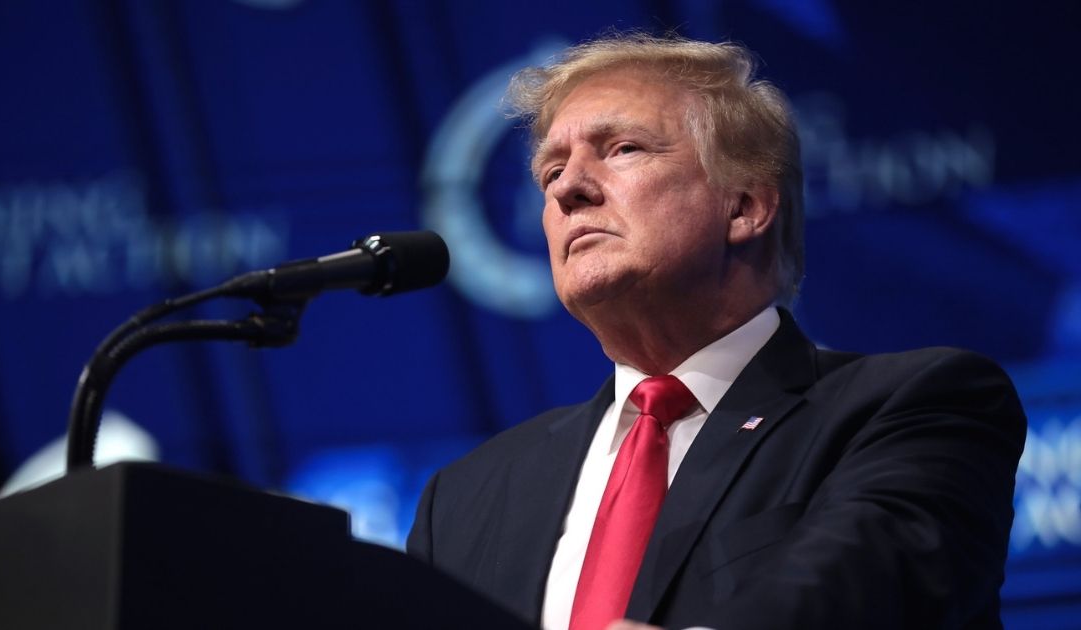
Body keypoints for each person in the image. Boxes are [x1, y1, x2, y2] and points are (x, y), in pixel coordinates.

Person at [407, 33, 1025, 630]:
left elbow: (868, 576)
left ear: (745, 205)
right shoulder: (465, 499)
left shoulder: (910, 405)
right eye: (550, 174)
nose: (568, 188)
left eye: (622, 148)